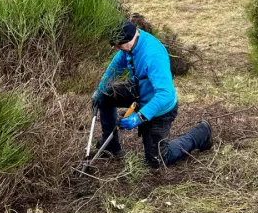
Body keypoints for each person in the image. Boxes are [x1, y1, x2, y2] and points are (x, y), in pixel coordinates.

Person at [91, 19, 212, 168]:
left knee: (158, 159)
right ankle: (110, 146)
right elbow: (116, 65)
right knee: (106, 96)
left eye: (118, 45)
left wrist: (139, 117)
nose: (116, 48)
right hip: (138, 91)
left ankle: (202, 133)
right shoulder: (129, 45)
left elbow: (165, 94)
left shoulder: (153, 55)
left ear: (129, 39)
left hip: (160, 107)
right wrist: (101, 89)